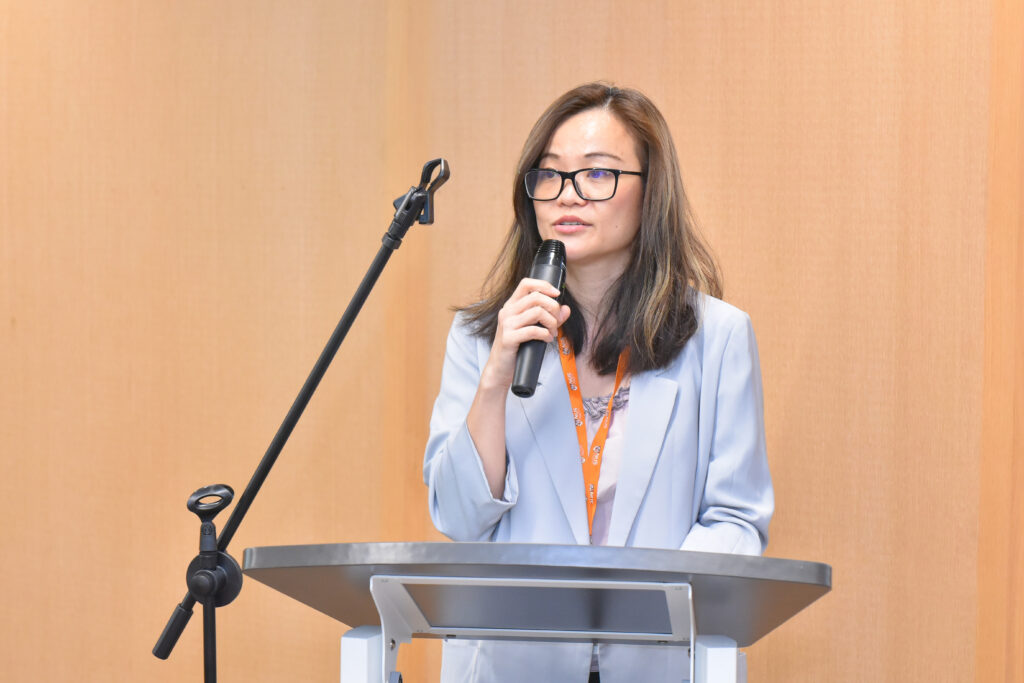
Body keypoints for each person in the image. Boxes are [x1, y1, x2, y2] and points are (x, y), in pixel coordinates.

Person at [422, 82, 774, 683]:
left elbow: (736, 522)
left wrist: (647, 611)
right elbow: (457, 516)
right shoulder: (482, 335)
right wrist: (496, 378)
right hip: (513, 663)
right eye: (551, 175)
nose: (568, 195)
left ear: (650, 192)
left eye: (597, 175)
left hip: (661, 661)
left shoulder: (717, 338)